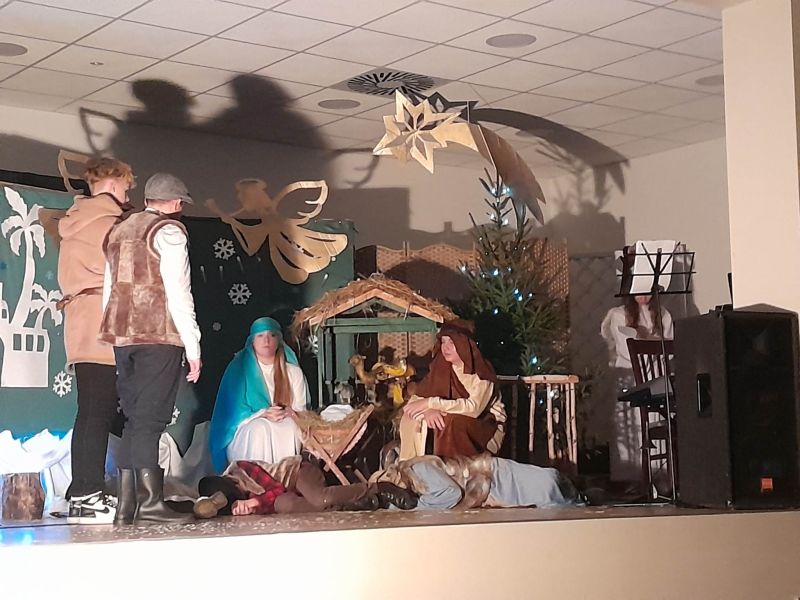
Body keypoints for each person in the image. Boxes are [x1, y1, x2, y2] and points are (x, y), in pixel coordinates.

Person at [99, 172, 202, 524]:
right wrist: (193, 346)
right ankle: (151, 503)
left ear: (147, 200)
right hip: (157, 335)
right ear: (176, 203)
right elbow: (179, 293)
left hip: (123, 336)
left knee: (133, 420)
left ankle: (127, 506)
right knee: (150, 420)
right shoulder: (169, 232)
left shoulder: (119, 230)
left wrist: (112, 333)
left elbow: (109, 289)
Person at [57, 157, 134, 524]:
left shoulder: (75, 222)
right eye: (126, 187)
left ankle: (81, 492)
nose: (128, 195)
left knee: (90, 409)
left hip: (80, 321)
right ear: (114, 185)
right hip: (102, 322)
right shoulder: (110, 225)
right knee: (97, 411)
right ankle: (87, 495)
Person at [208, 317, 308, 473]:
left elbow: (301, 410)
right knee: (260, 428)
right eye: (260, 336)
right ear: (252, 341)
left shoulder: (293, 372)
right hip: (247, 428)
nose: (266, 340)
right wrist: (263, 414)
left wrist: (288, 412)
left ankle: (283, 476)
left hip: (283, 421)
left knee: (291, 426)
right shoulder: (238, 371)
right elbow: (231, 415)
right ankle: (257, 479)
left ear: (279, 340)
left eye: (272, 335)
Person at [398, 320, 506, 460]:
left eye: (451, 342)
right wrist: (428, 411)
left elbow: (474, 409)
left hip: (486, 426)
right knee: (412, 418)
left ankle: (453, 468)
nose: (446, 347)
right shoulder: (441, 366)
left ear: (464, 344)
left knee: (449, 421)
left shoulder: (481, 372)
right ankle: (410, 465)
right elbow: (417, 400)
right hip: (451, 418)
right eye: (443, 342)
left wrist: (431, 403)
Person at [600, 294, 674, 485]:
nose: (643, 296)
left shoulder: (663, 314)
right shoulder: (619, 315)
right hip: (630, 377)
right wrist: (649, 341)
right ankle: (630, 478)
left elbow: (669, 349)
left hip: (656, 376)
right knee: (632, 426)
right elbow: (626, 350)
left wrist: (647, 341)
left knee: (658, 420)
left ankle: (661, 477)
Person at [192, 456, 417, 518]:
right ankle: (359, 504)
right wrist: (249, 509)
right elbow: (278, 501)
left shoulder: (242, 469)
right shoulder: (230, 506)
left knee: (320, 499)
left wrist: (254, 501)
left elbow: (276, 489)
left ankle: (377, 488)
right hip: (282, 497)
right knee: (287, 506)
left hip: (296, 473)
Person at [373, 452, 582, 510]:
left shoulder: (418, 469)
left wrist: (418, 507)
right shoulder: (416, 480)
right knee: (547, 498)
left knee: (548, 488)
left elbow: (451, 493)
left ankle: (583, 495)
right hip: (488, 487)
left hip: (493, 476)